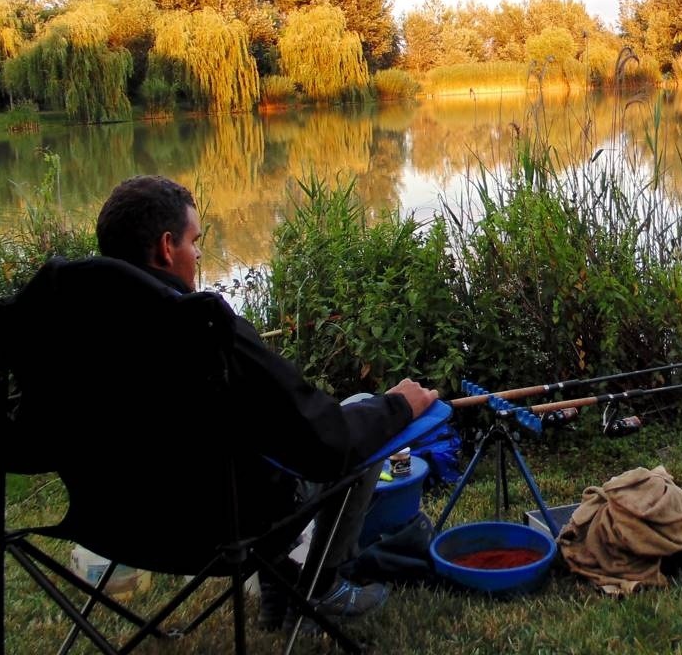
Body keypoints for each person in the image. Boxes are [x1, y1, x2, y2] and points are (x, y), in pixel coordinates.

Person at [95, 175, 439, 628]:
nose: (198, 255)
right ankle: (322, 584)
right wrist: (397, 406)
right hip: (220, 526)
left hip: (112, 521)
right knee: (360, 414)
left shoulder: (77, 332)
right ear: (165, 248)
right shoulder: (203, 330)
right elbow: (322, 440)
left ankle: (280, 582)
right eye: (195, 241)